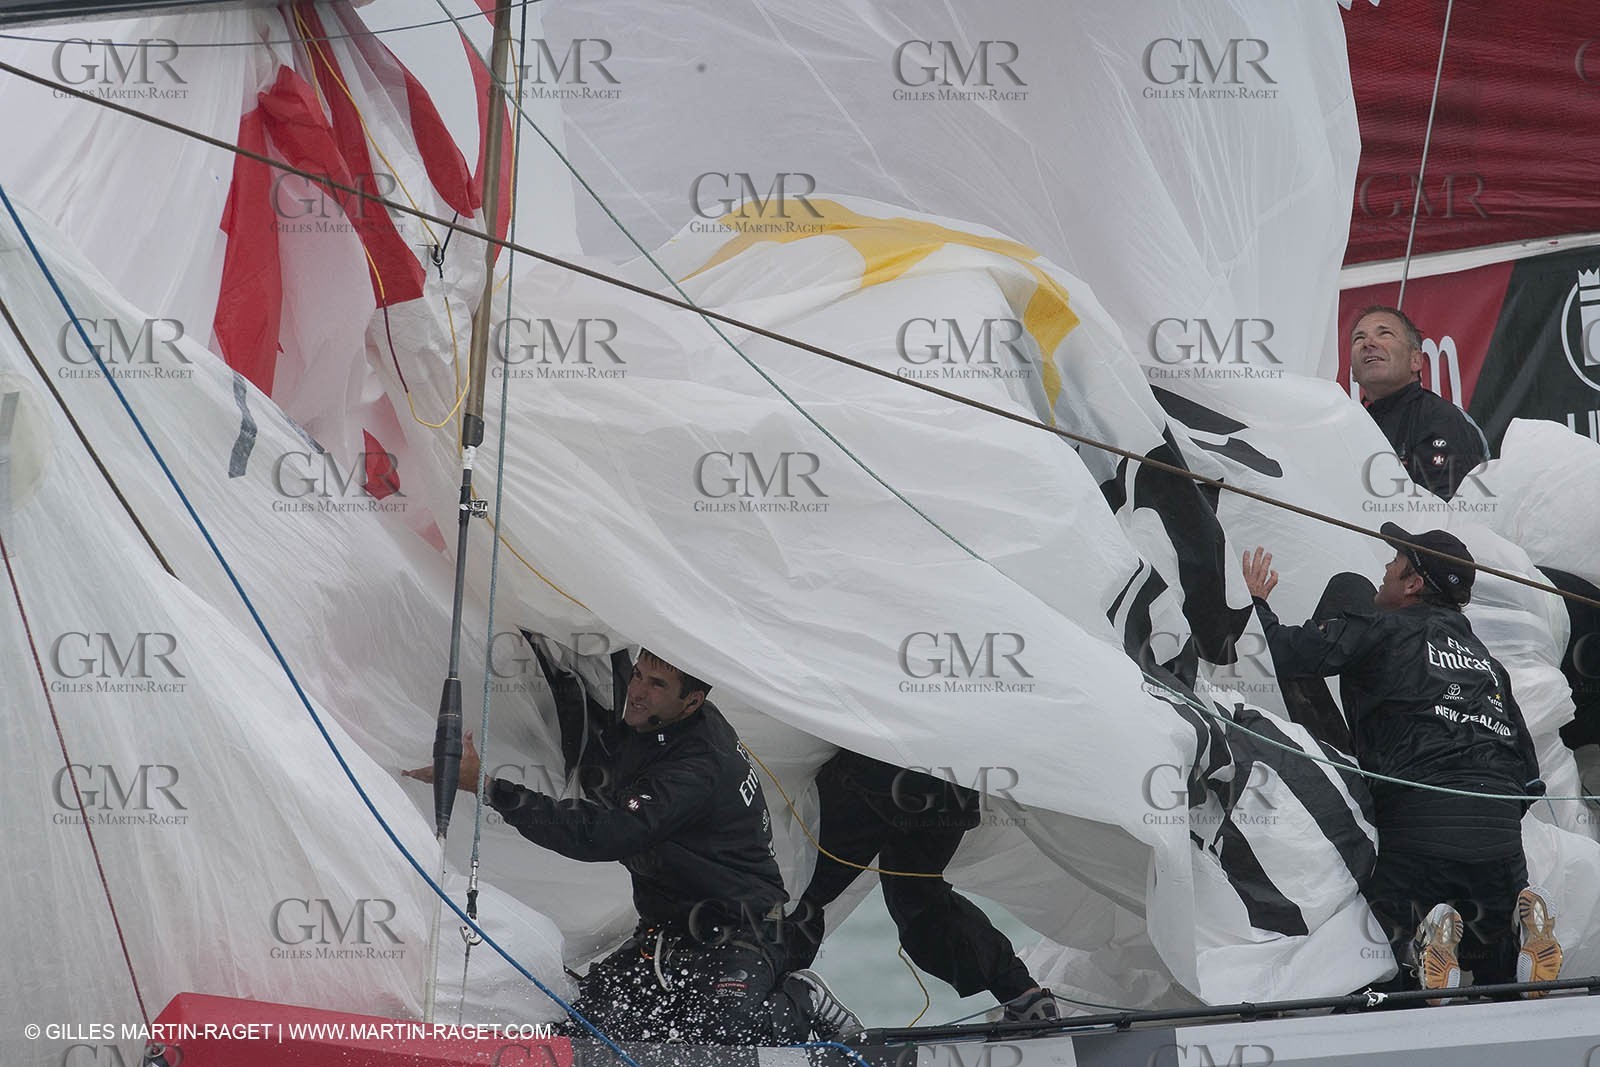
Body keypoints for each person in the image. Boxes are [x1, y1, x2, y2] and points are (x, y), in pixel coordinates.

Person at [406, 648, 860, 1045]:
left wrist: (489, 787)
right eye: (639, 675)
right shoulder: (659, 725)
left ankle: (805, 1000)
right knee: (589, 1033)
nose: (637, 691)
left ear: (692, 701)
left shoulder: (696, 767)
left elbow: (602, 835)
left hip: (743, 933)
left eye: (656, 684)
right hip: (667, 938)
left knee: (726, 1033)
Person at [1242, 526, 1561, 996]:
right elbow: (1528, 776)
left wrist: (1255, 603)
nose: (1386, 569)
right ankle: (1510, 949)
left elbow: (1286, 654)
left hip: (1420, 822)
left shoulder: (1382, 628)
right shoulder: (1488, 664)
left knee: (1376, 965)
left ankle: (1417, 959)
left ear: (1413, 584)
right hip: (1499, 838)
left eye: (1396, 561)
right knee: (1495, 972)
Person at [785, 749, 1058, 1022]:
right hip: (953, 775)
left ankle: (767, 1006)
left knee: (797, 894)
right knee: (922, 902)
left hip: (880, 768)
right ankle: (1022, 994)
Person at [1349, 305, 1488, 500]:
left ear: (1416, 360)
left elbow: (1446, 514)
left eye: (1385, 333)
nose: (1368, 343)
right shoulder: (1348, 427)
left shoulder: (1441, 420)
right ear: (1353, 372)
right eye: (1359, 338)